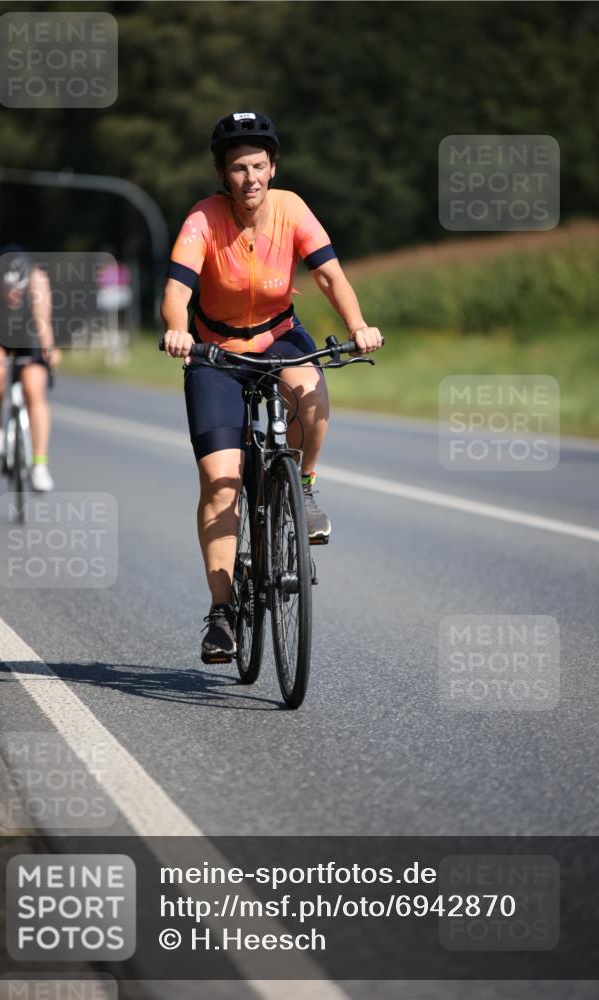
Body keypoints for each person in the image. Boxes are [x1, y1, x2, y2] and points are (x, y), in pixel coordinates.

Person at [160, 112, 382, 663]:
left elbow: (329, 274)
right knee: (221, 482)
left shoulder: (292, 209)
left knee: (311, 389)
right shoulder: (203, 220)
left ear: (273, 167)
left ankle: (302, 487)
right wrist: (178, 331)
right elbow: (176, 290)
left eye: (259, 166)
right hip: (215, 353)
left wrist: (357, 326)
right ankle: (220, 614)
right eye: (238, 168)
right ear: (223, 173)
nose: (251, 178)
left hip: (279, 336)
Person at [0, 245, 59, 491]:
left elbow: (42, 321)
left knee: (33, 389)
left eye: (19, 290)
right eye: (8, 290)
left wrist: (49, 352)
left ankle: (39, 464)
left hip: (29, 332)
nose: (14, 295)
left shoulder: (37, 278)